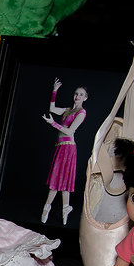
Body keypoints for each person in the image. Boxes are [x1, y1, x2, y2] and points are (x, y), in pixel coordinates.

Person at [40, 79, 88, 225]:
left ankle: (47, 208)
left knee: (60, 179)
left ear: (85, 98)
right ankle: (65, 208)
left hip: (68, 148)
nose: (77, 96)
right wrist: (55, 91)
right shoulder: (68, 110)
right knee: (61, 178)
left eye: (81, 94)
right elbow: (52, 108)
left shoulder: (81, 113)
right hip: (60, 146)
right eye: (76, 94)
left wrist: (53, 123)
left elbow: (69, 131)